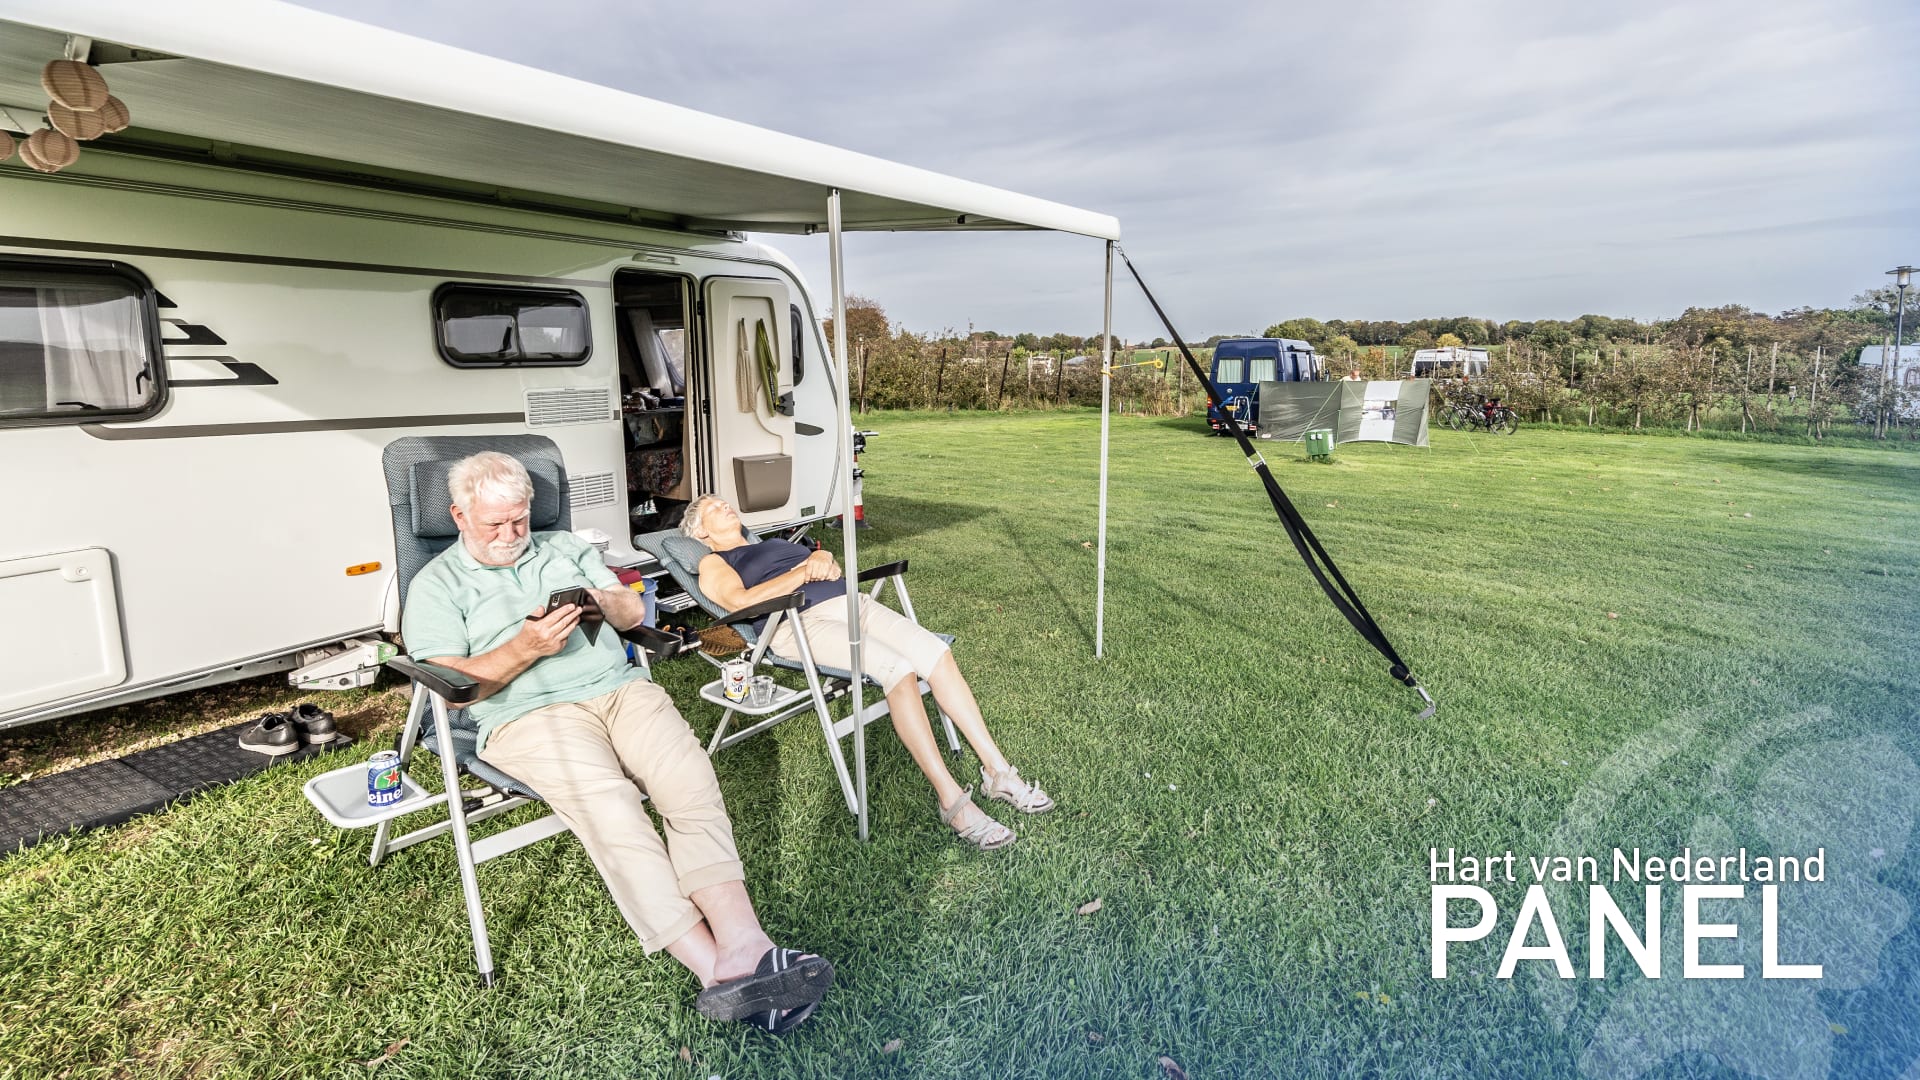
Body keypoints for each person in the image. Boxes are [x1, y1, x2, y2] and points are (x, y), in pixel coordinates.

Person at [402, 452, 831, 1035]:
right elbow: (453, 687)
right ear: (457, 515)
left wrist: (600, 602)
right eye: (494, 524)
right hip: (527, 715)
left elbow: (633, 612)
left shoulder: (564, 548)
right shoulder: (436, 583)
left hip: (619, 691)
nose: (511, 535)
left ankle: (746, 944)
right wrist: (527, 648)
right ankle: (716, 973)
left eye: (520, 519)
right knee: (613, 809)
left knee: (688, 779)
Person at [682, 494, 1054, 850]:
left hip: (853, 604)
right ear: (701, 532)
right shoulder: (715, 562)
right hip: (797, 623)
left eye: (725, 501)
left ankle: (998, 772)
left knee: (937, 654)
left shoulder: (775, 543)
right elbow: (740, 601)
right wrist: (803, 572)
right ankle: (952, 800)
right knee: (898, 668)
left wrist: (822, 555)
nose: (724, 505)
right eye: (713, 507)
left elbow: (822, 560)